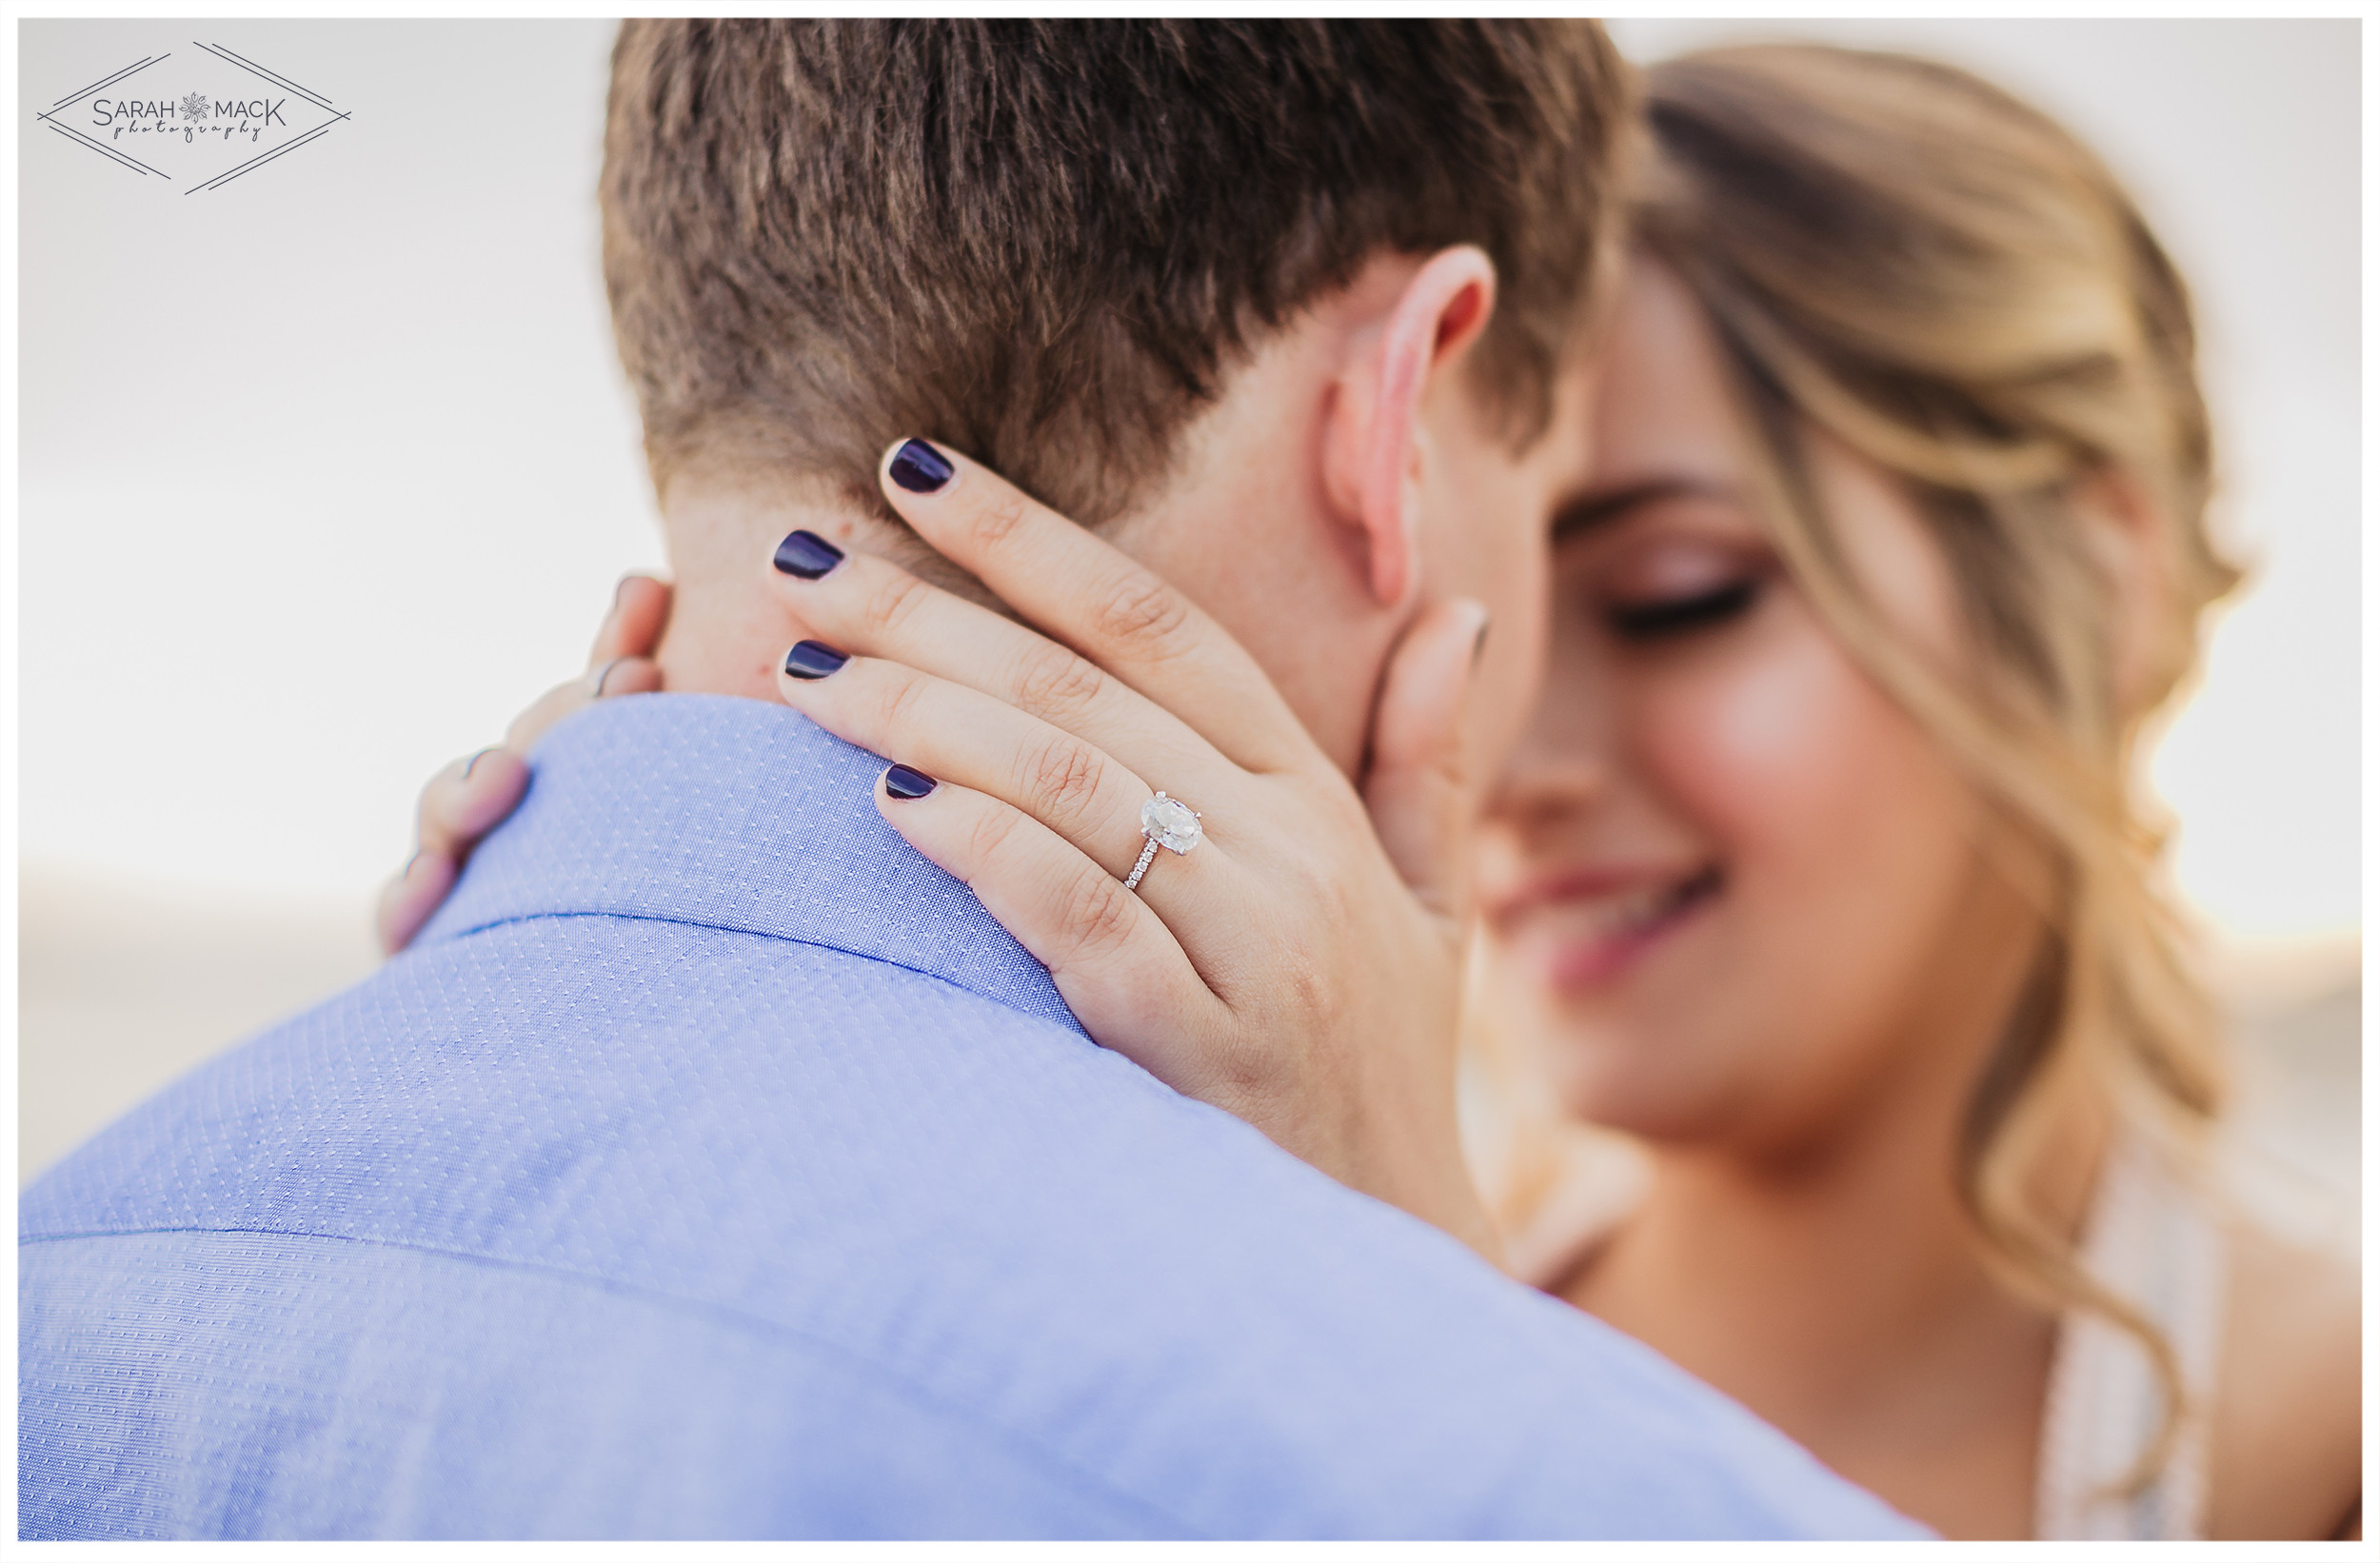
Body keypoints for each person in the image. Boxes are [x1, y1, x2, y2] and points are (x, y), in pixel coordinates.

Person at [394, 40, 2358, 1543]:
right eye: (1486, 592)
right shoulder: (1236, 1173)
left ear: (2093, 592)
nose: (1521, 747)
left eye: (1680, 597)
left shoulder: (2329, 1445)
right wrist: (582, 987)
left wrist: (1400, 1324)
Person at [17, 22, 1917, 1541]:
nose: (1537, 767)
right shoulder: (1596, 1494)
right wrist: (1431, 1324)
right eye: (1565, 509)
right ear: (1396, 414)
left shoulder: (67, 1269)